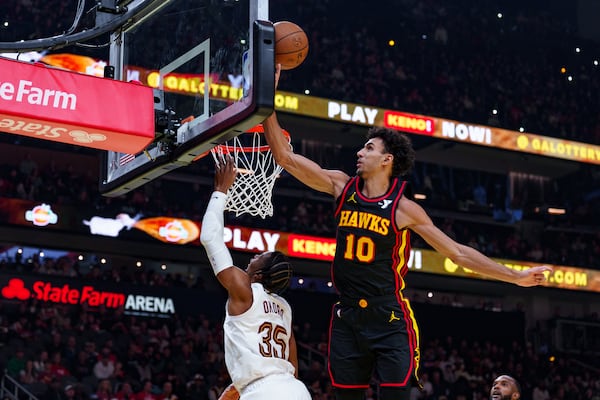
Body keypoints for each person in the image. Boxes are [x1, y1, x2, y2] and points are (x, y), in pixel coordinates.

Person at [261, 64, 552, 400]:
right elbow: (284, 156)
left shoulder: (404, 209)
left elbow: (458, 253)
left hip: (389, 317)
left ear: (387, 159)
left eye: (368, 148)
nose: (359, 151)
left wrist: (515, 277)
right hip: (347, 316)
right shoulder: (341, 187)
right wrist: (267, 95)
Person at [200, 155, 311, 400]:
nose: (253, 256)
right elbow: (291, 364)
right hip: (295, 390)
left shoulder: (245, 289)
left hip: (263, 391)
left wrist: (220, 191)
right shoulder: (284, 308)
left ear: (259, 274)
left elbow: (210, 239)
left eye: (259, 256)